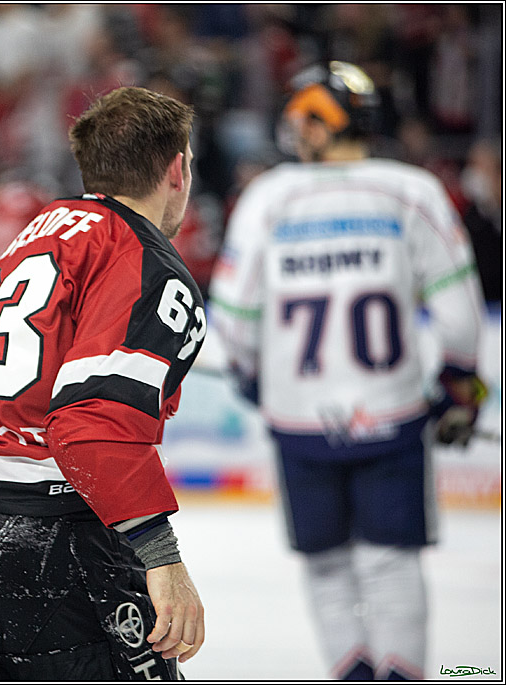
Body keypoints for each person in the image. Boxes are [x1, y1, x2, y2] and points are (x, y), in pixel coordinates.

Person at [0, 86, 207, 680]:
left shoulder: (40, 228)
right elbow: (91, 423)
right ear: (177, 168)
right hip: (42, 544)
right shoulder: (146, 262)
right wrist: (161, 558)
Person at [209, 61, 487, 680]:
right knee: (392, 563)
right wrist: (459, 389)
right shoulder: (412, 191)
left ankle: (353, 674)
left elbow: (232, 318)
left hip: (299, 417)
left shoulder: (269, 198)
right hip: (392, 411)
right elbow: (461, 316)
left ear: (320, 122)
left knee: (325, 564)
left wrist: (255, 378)